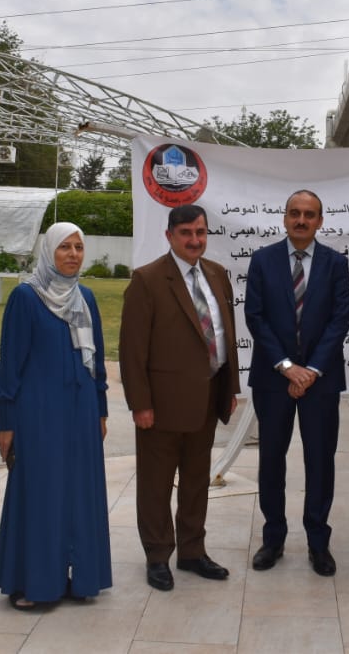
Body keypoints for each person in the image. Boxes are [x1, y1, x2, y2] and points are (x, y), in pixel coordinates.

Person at [0, 222, 113, 611]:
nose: (73, 254)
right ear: (49, 251)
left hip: (82, 412)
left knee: (79, 493)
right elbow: (10, 364)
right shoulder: (26, 298)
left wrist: (101, 410)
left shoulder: (85, 297)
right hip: (39, 414)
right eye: (65, 247)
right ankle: (35, 582)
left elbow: (97, 359)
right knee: (42, 493)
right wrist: (5, 420)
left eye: (79, 247)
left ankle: (81, 578)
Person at [120, 204, 241, 591]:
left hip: (208, 397)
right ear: (170, 236)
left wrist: (230, 387)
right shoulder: (148, 279)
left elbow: (226, 334)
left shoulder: (217, 274)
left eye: (200, 232)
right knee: (156, 484)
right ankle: (158, 556)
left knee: (195, 481)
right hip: (161, 405)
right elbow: (132, 350)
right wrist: (140, 403)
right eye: (186, 233)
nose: (194, 240)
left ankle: (192, 551)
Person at [245, 189, 349, 576]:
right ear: (285, 218)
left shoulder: (336, 263)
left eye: (309, 214)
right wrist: (288, 367)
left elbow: (340, 320)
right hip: (273, 378)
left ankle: (318, 543)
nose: (301, 220)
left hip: (321, 381)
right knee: (271, 460)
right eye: (295, 213)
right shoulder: (262, 260)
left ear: (320, 221)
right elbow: (256, 317)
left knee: (320, 461)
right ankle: (273, 539)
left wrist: (312, 370)